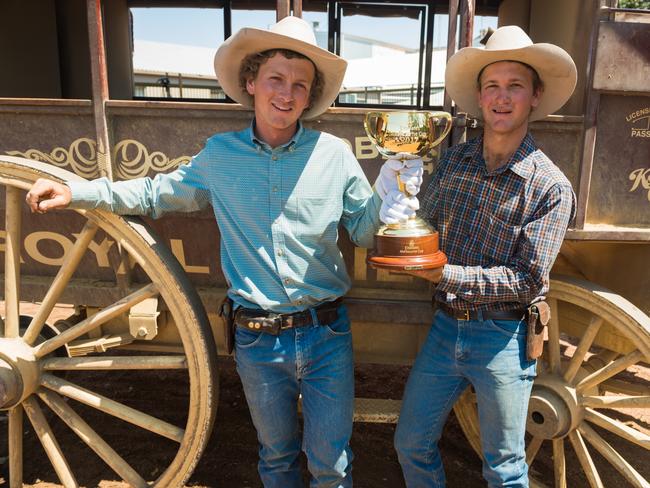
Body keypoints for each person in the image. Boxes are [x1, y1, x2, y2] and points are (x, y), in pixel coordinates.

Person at [25, 16, 422, 488]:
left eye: (301, 84)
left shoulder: (333, 155)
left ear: (311, 95)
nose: (287, 93)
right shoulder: (219, 156)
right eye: (276, 78)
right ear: (251, 82)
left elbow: (361, 233)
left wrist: (390, 199)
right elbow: (154, 194)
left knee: (331, 465)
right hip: (257, 338)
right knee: (275, 458)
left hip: (325, 335)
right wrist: (78, 191)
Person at [391, 25, 577, 487]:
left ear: (534, 96)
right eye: (492, 86)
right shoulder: (453, 162)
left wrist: (442, 273)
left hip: (505, 335)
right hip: (445, 328)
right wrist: (396, 205)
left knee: (505, 468)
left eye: (515, 86)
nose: (502, 97)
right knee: (410, 443)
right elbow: (423, 228)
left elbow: (528, 280)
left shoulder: (550, 187)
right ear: (479, 96)